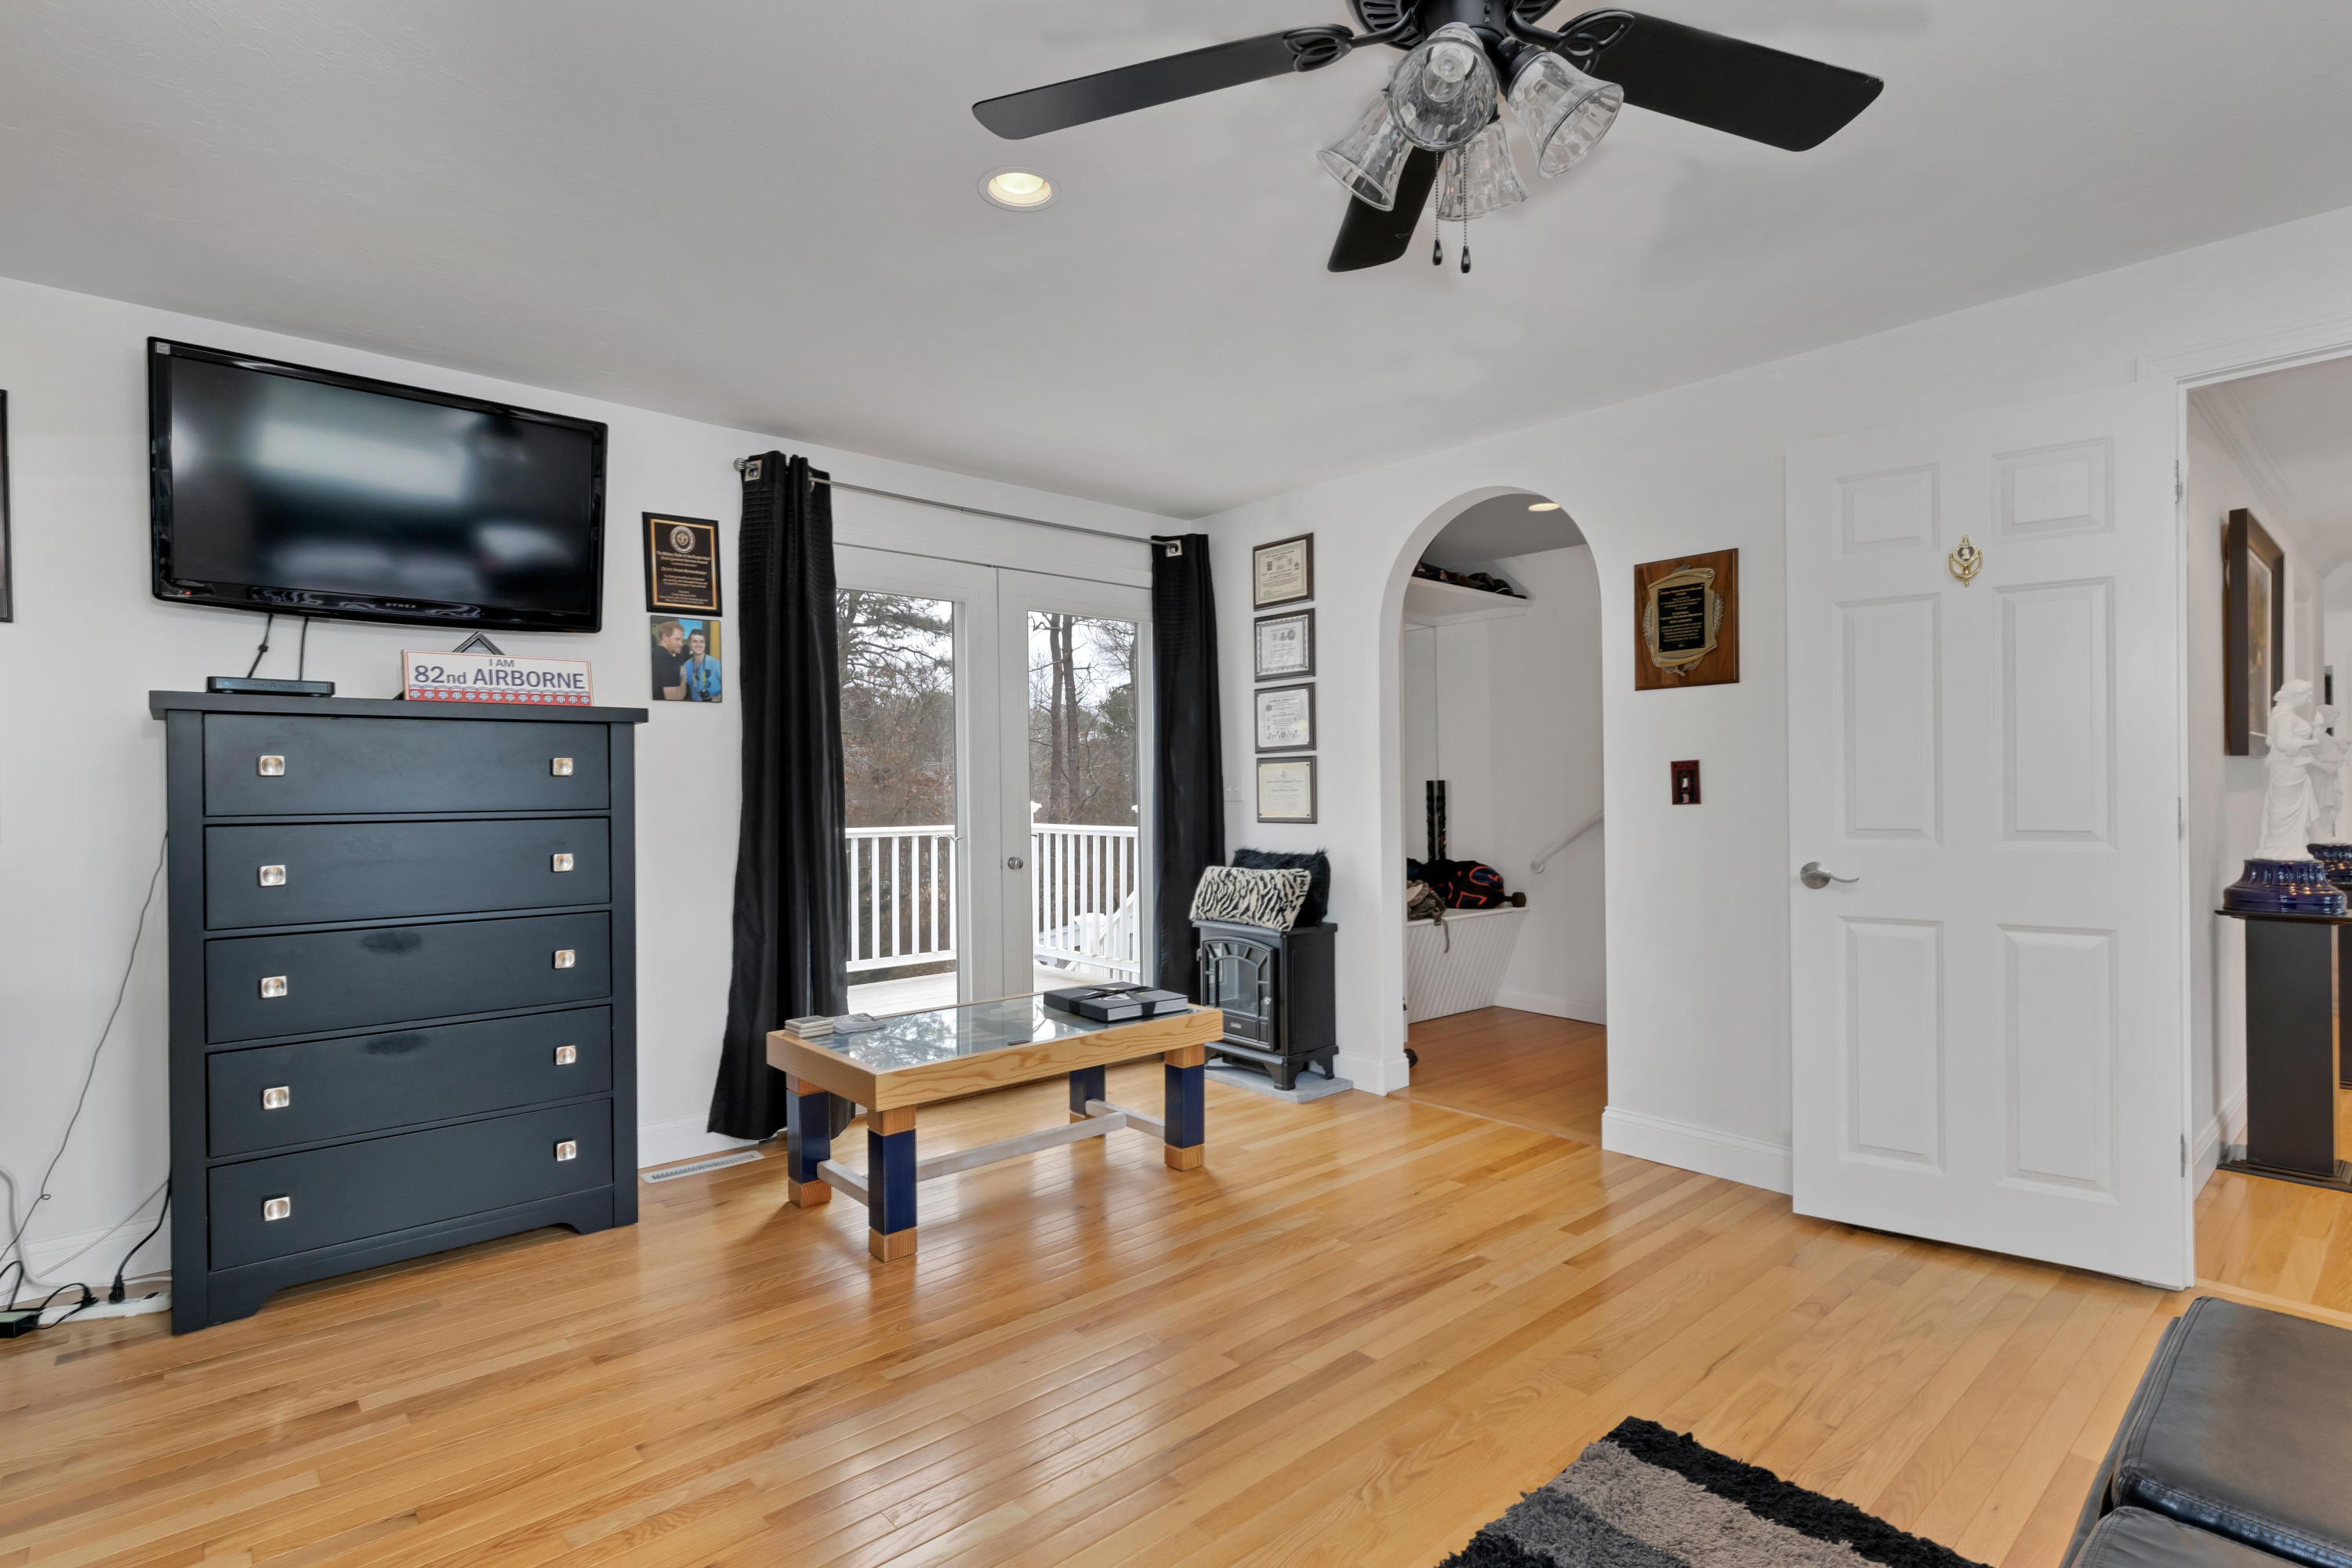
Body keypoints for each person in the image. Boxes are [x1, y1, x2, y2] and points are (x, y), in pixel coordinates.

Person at [649, 619, 687, 701]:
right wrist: (683, 675)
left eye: (681, 639)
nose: (681, 644)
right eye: (677, 639)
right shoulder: (668, 660)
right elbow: (676, 698)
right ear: (665, 638)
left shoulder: (654, 653)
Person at [681, 627, 722, 702]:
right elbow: (683, 692)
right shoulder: (686, 666)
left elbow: (729, 690)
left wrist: (717, 698)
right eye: (695, 641)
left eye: (701, 642)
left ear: (705, 644)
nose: (699, 645)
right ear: (689, 644)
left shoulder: (716, 664)